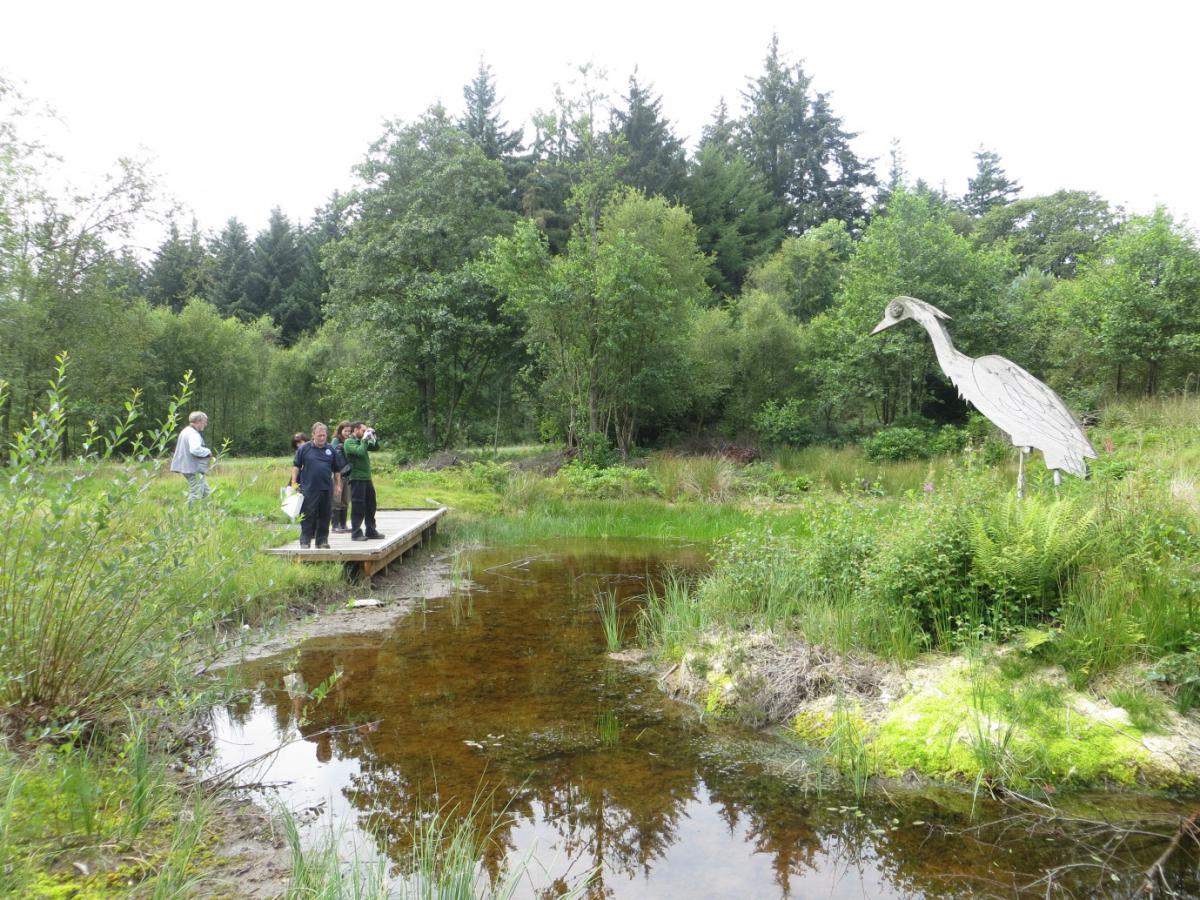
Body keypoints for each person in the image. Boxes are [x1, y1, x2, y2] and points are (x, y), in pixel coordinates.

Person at [290, 422, 345, 549]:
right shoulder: (304, 448)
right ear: (313, 435)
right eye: (319, 435)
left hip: (326, 488)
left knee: (325, 515)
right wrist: (294, 482)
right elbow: (296, 466)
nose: (322, 438)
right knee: (308, 515)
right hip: (309, 488)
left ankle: (322, 541)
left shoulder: (330, 449)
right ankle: (305, 540)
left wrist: (338, 485)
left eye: (324, 435)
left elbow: (337, 469)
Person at [344, 421, 383, 541]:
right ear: (355, 430)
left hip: (367, 478)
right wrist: (365, 439)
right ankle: (356, 533)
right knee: (358, 506)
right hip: (356, 478)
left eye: (366, 430)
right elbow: (360, 452)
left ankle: (371, 530)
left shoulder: (362, 441)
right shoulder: (349, 442)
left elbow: (376, 448)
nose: (365, 432)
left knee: (371, 505)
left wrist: (373, 437)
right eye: (363, 430)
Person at [170, 411, 213, 506]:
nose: (206, 424)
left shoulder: (186, 431)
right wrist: (208, 451)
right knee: (196, 493)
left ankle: (207, 511)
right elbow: (195, 450)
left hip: (187, 466)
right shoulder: (193, 434)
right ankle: (191, 513)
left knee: (206, 491)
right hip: (192, 468)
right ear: (199, 421)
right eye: (204, 422)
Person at [329, 421, 353, 534]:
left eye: (349, 431)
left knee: (345, 499)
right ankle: (335, 525)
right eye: (345, 431)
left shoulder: (350, 441)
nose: (347, 433)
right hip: (338, 474)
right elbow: (334, 456)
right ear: (340, 431)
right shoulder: (336, 441)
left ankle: (343, 524)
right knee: (336, 500)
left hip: (347, 474)